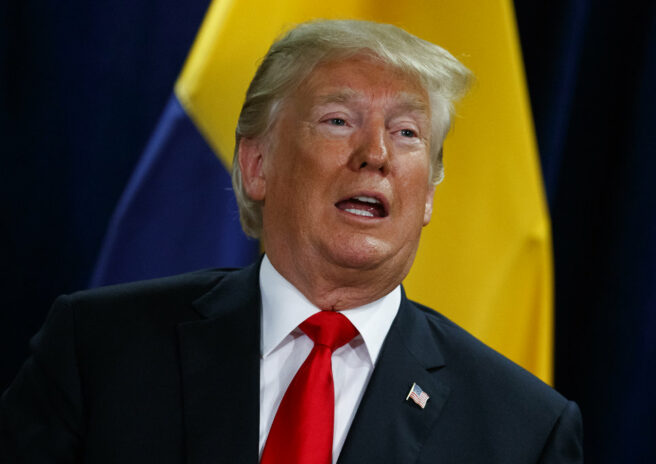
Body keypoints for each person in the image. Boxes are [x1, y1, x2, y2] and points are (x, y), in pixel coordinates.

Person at [0, 19, 583, 463]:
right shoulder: (98, 350)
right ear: (257, 164)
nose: (375, 154)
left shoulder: (526, 431)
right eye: (338, 120)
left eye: (406, 132)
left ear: (428, 193)